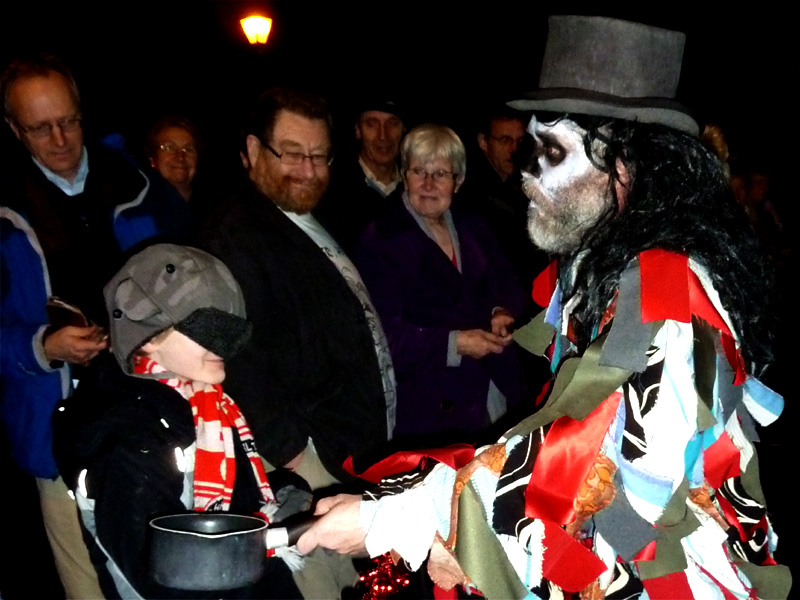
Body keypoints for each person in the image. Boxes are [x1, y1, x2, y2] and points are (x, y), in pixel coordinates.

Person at [296, 16, 789, 599]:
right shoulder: (603, 263)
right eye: (531, 147)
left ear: (624, 165)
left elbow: (626, 488)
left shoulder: (665, 292)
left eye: (550, 150)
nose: (526, 172)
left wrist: (402, 518)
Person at [200, 87, 396, 598]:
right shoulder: (232, 234)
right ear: (252, 150)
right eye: (291, 153)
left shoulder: (313, 217)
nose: (308, 170)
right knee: (324, 585)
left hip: (345, 447)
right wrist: (289, 451)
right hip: (305, 458)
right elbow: (230, 354)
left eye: (318, 156)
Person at [52, 244, 302, 599]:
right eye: (207, 328)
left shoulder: (207, 405)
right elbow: (156, 570)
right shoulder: (129, 434)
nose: (225, 344)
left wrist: (277, 499)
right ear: (149, 338)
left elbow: (226, 505)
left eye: (232, 328)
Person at [1, 53, 161, 599]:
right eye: (40, 127)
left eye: (68, 120)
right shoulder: (5, 207)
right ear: (13, 130)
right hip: (56, 425)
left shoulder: (137, 183)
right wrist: (42, 345)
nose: (60, 138)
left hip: (151, 413)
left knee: (156, 568)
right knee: (87, 586)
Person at [354, 124, 526, 441]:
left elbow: (510, 283)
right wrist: (455, 344)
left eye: (441, 174)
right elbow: (383, 340)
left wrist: (502, 310)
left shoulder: (472, 224)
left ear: (457, 181)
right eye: (419, 171)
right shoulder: (380, 240)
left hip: (494, 390)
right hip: (430, 410)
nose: (429, 184)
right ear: (404, 176)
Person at [458, 105, 549, 291]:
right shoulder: (472, 193)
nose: (514, 149)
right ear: (483, 142)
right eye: (505, 140)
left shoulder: (522, 184)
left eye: (520, 140)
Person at [315, 98, 404, 252]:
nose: (383, 135)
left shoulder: (419, 189)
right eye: (372, 123)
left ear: (403, 129)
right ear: (358, 130)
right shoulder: (330, 189)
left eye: (392, 123)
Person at [145, 115, 201, 202]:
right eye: (169, 148)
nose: (180, 157)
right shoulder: (139, 210)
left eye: (188, 149)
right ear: (152, 158)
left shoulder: (219, 209)